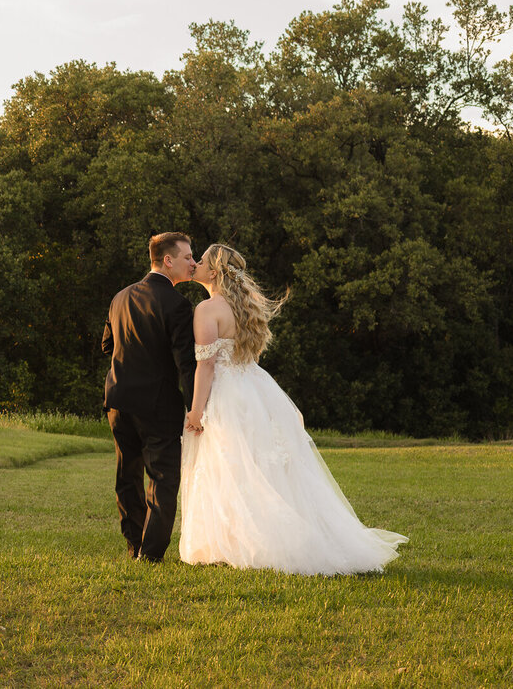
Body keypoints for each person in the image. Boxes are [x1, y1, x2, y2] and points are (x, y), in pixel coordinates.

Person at [179, 243, 407, 574]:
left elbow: (207, 366)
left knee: (233, 465)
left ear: (213, 272)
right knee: (261, 467)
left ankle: (241, 542)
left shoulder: (207, 309)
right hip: (255, 390)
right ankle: (245, 538)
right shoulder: (244, 307)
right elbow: (247, 359)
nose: (195, 264)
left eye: (199, 261)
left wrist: (196, 411)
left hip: (230, 394)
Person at [101, 232, 199, 562]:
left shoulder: (120, 297)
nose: (192, 263)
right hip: (156, 406)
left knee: (127, 475)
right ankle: (151, 554)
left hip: (117, 399)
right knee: (164, 478)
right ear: (167, 260)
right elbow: (186, 363)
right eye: (187, 257)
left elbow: (106, 345)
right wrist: (196, 407)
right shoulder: (178, 305)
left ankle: (134, 547)